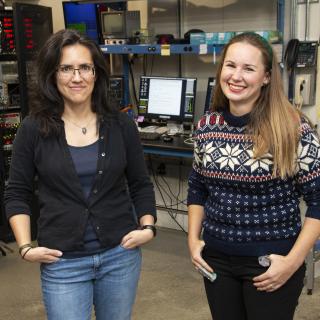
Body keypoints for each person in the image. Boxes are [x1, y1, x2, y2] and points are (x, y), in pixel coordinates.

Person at [5, 29, 156, 320]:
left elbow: (140, 183)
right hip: (62, 262)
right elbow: (17, 192)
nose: (77, 77)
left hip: (119, 256)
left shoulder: (121, 126)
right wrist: (25, 247)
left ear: (96, 73)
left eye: (84, 67)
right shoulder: (33, 129)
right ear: (52, 74)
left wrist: (148, 227)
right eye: (66, 68)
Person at [187, 32, 320, 320]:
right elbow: (198, 186)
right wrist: (193, 239)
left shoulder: (293, 130)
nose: (237, 76)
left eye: (249, 69)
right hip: (216, 261)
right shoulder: (207, 126)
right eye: (230, 65)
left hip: (271, 262)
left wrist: (292, 263)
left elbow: (318, 200)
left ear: (266, 77)